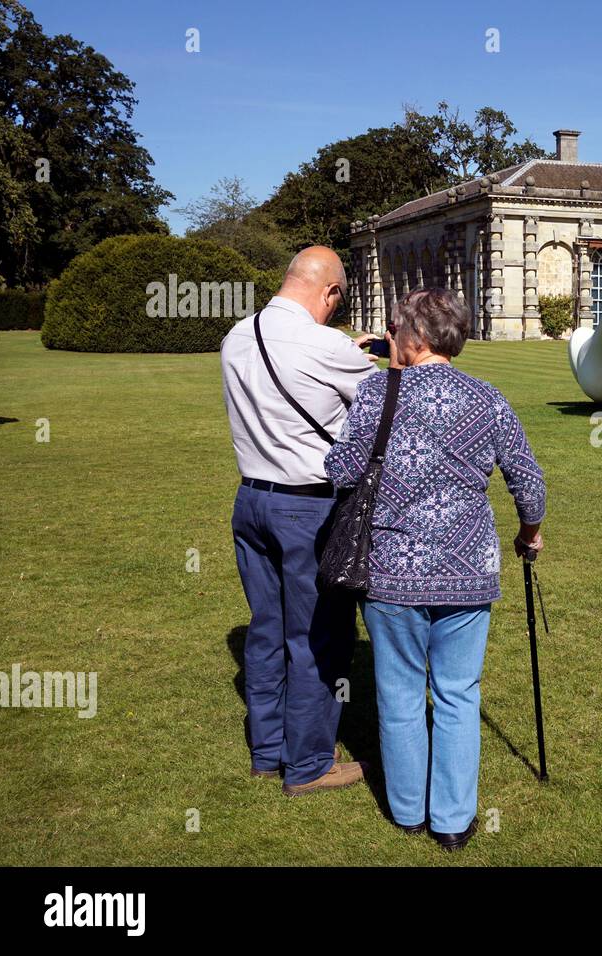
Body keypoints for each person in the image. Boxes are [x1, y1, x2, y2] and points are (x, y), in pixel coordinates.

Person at [324, 287, 546, 852]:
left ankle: (405, 810)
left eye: (396, 330)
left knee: (398, 692)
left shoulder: (376, 392)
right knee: (457, 693)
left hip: (391, 571)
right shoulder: (487, 397)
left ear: (415, 336)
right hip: (467, 569)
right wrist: (530, 532)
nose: (391, 338)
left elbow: (343, 470)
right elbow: (528, 480)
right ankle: (451, 820)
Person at [221, 246, 380, 795]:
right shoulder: (327, 344)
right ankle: (309, 763)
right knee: (318, 634)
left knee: (267, 630)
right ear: (331, 292)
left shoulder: (237, 336)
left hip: (251, 501)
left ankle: (267, 752)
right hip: (308, 506)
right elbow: (383, 406)